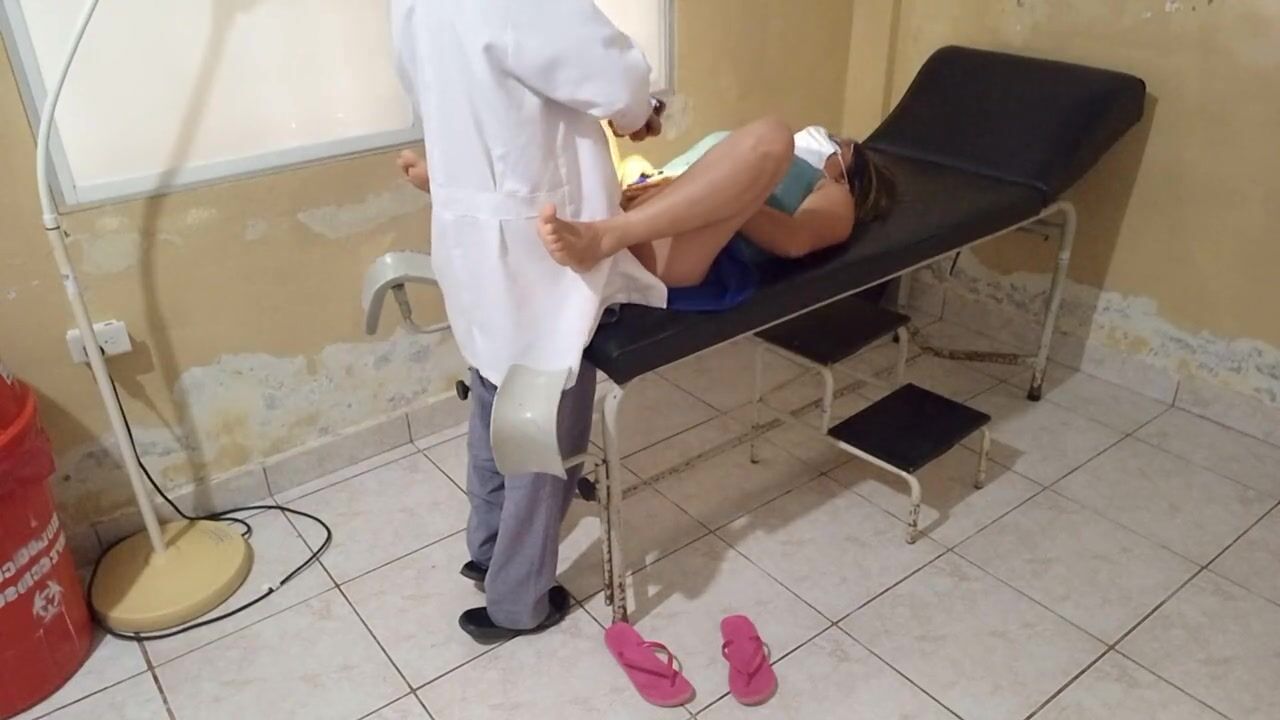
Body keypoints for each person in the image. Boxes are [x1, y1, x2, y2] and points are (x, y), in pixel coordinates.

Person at [390, 0, 667, 642]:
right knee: (544, 425)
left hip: (470, 233)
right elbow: (611, 73)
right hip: (539, 239)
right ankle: (518, 602)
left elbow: (435, 86)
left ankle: (487, 550)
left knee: (495, 393)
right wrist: (639, 111)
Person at [539, 120, 897, 311]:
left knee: (772, 136)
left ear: (849, 172)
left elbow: (795, 240)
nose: (822, 135)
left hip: (680, 251)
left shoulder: (834, 193)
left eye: (837, 142)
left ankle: (606, 236)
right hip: (634, 208)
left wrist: (731, 197)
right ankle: (602, 232)